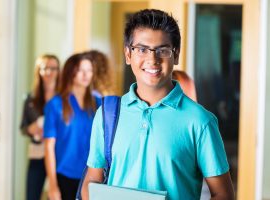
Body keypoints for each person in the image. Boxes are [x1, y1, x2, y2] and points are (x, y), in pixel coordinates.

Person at [82, 9, 235, 200]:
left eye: (163, 50)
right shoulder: (107, 114)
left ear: (176, 55)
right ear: (128, 54)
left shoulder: (200, 121)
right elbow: (91, 181)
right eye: (142, 49)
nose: (152, 59)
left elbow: (223, 194)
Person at [44, 52, 101, 200]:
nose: (85, 74)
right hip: (65, 176)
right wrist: (52, 184)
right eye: (80, 70)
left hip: (93, 176)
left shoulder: (99, 104)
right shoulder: (55, 105)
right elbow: (49, 147)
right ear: (70, 72)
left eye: (89, 70)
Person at [20, 54, 60, 200]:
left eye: (53, 68)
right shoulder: (30, 99)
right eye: (45, 68)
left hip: (58, 154)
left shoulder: (64, 98)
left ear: (58, 71)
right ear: (39, 71)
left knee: (56, 195)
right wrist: (35, 128)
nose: (49, 72)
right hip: (37, 153)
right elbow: (24, 127)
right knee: (32, 195)